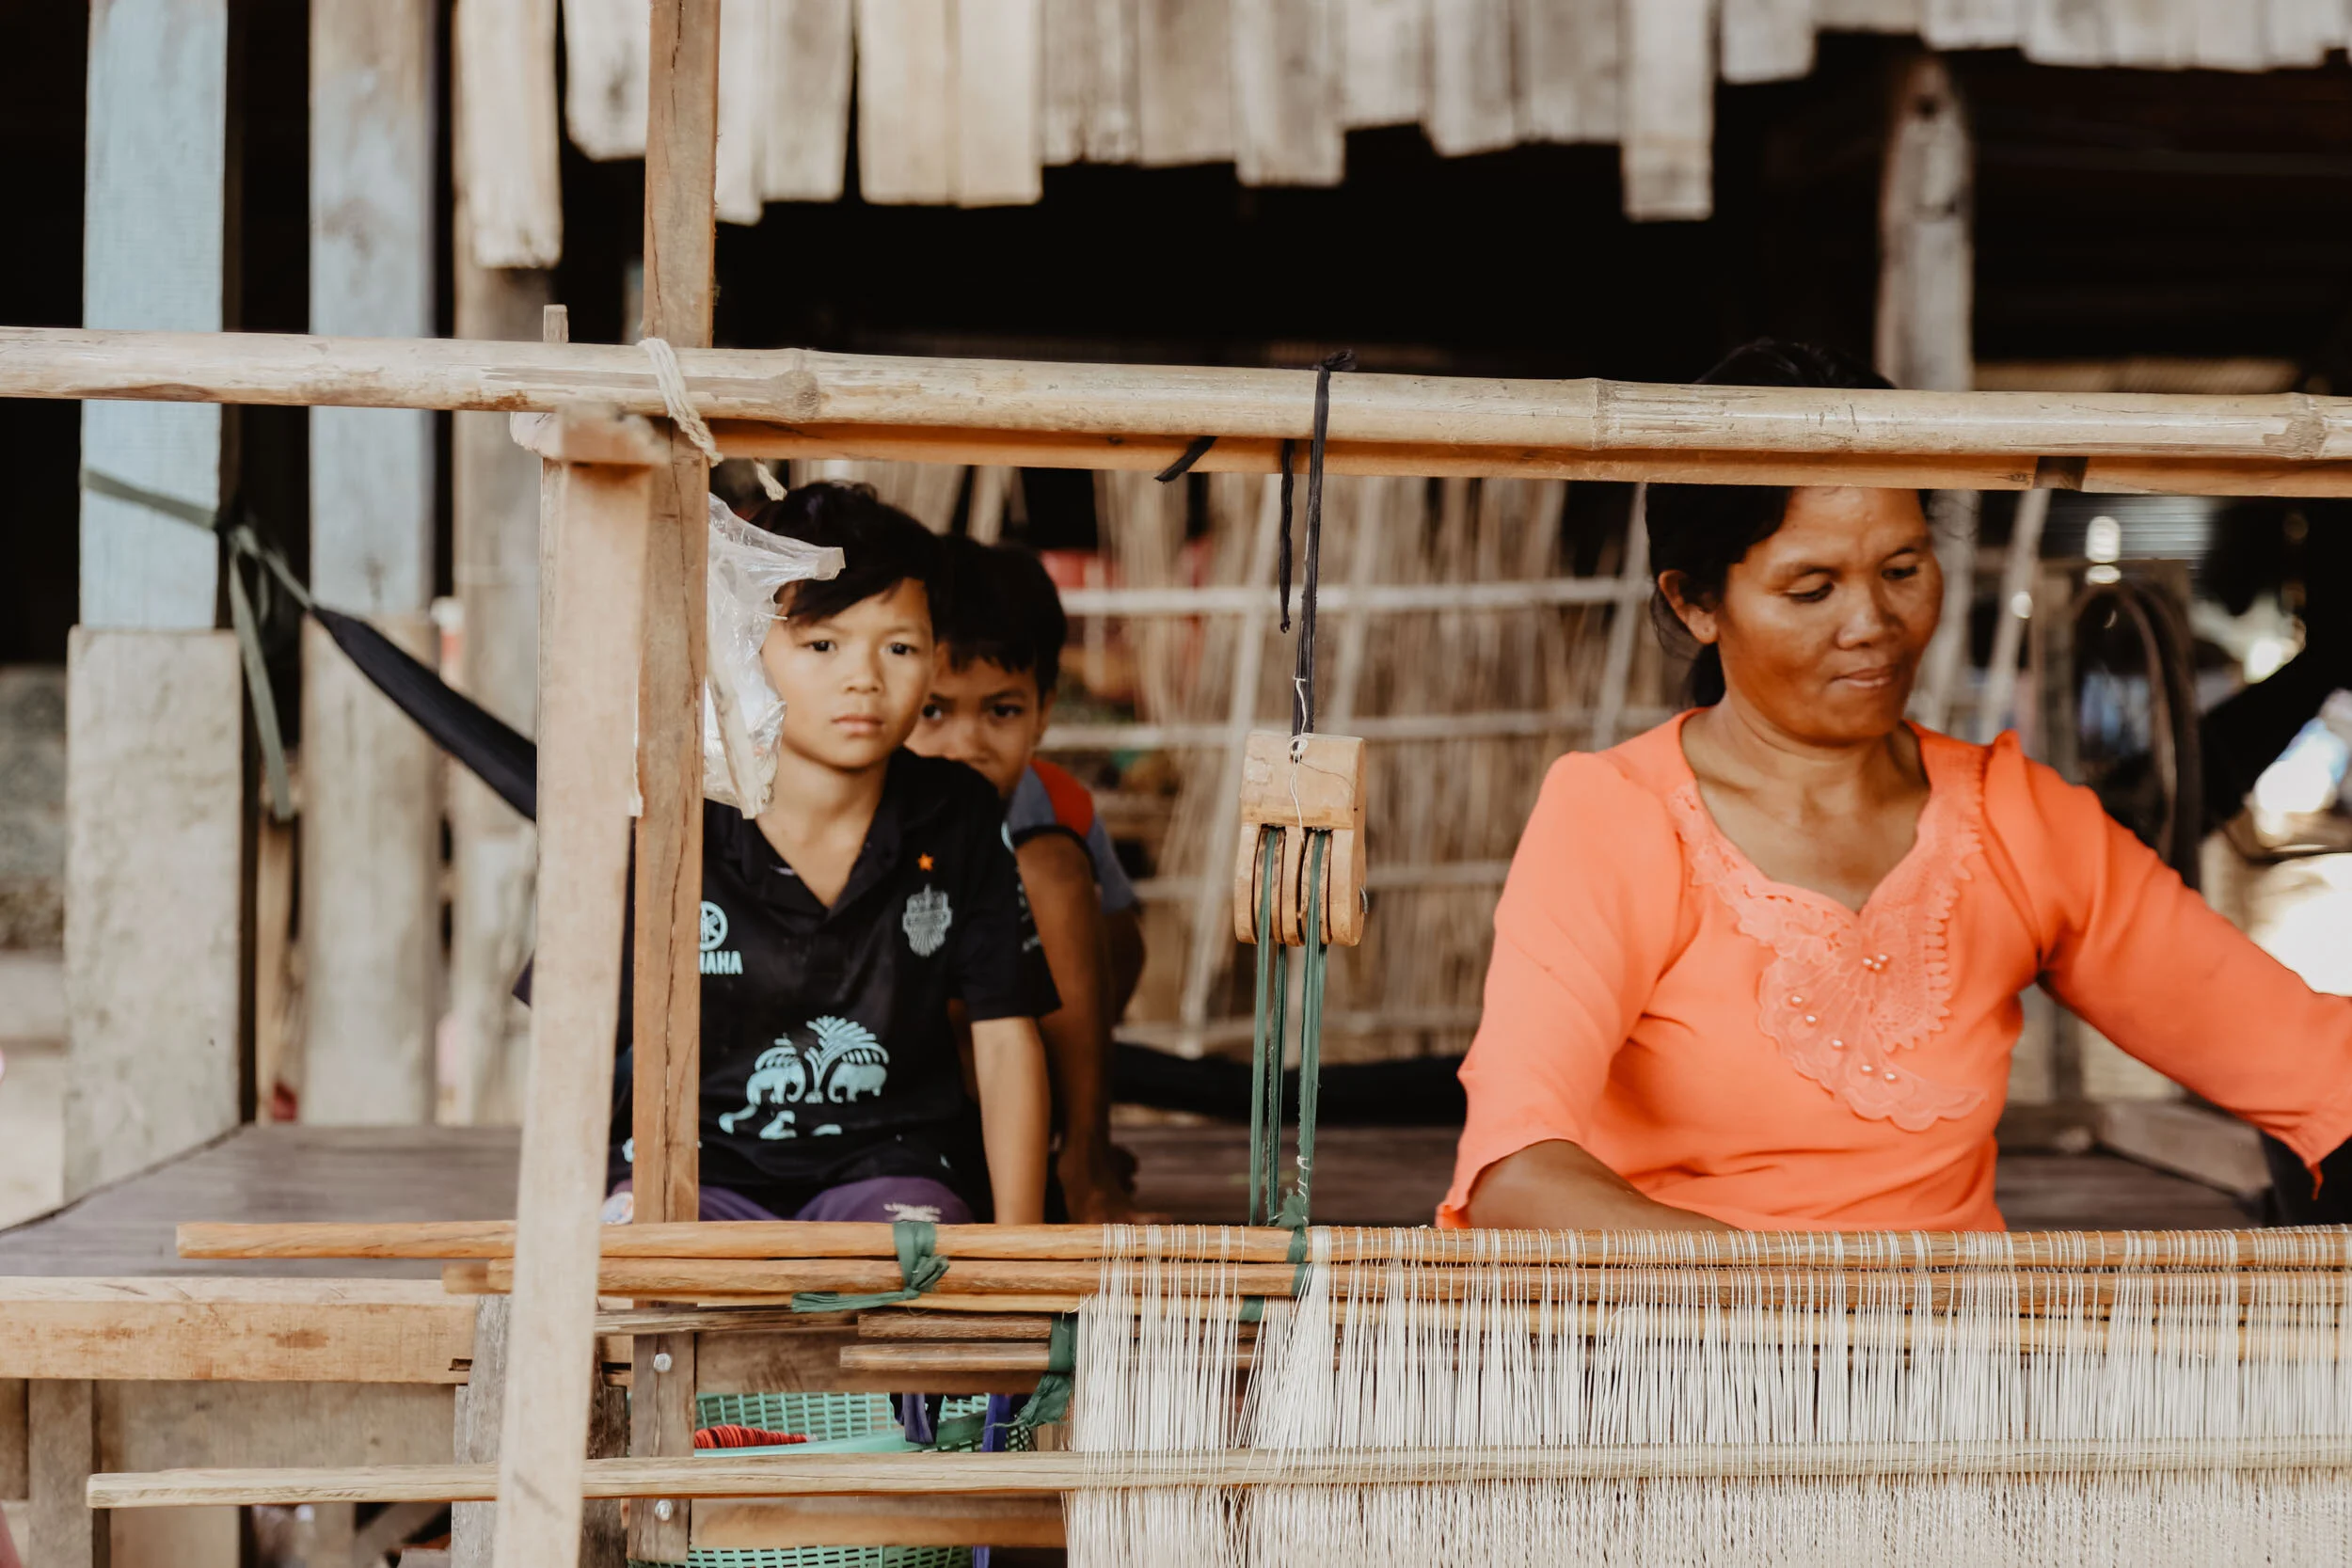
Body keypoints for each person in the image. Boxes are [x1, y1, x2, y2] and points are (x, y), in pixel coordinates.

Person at [1444, 340, 2352, 1233]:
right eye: (1811, 589)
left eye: (1902, 570)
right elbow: (1515, 1172)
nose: (1872, 624)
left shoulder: (2016, 823)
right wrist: (1787, 1310)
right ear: (1696, 603)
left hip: (1951, 1368)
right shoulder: (1616, 819)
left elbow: (2309, 1062)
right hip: (1695, 1364)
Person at [606, 483, 1055, 1227]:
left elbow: (1006, 1037)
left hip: (892, 1168)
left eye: (900, 647)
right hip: (690, 1163)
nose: (865, 678)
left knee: (916, 1271)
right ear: (748, 646)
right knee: (631, 1275)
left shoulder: (957, 813)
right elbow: (578, 1039)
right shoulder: (669, 812)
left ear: (936, 657)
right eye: (822, 644)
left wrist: (1018, 1260)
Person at [911, 534, 1149, 1222]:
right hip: (905, 1085)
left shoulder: (1057, 807)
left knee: (1050, 869)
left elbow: (1121, 953)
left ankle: (1085, 1162)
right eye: (934, 710)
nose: (967, 742)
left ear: (1043, 711)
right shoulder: (872, 805)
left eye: (1001, 710)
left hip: (1019, 1067)